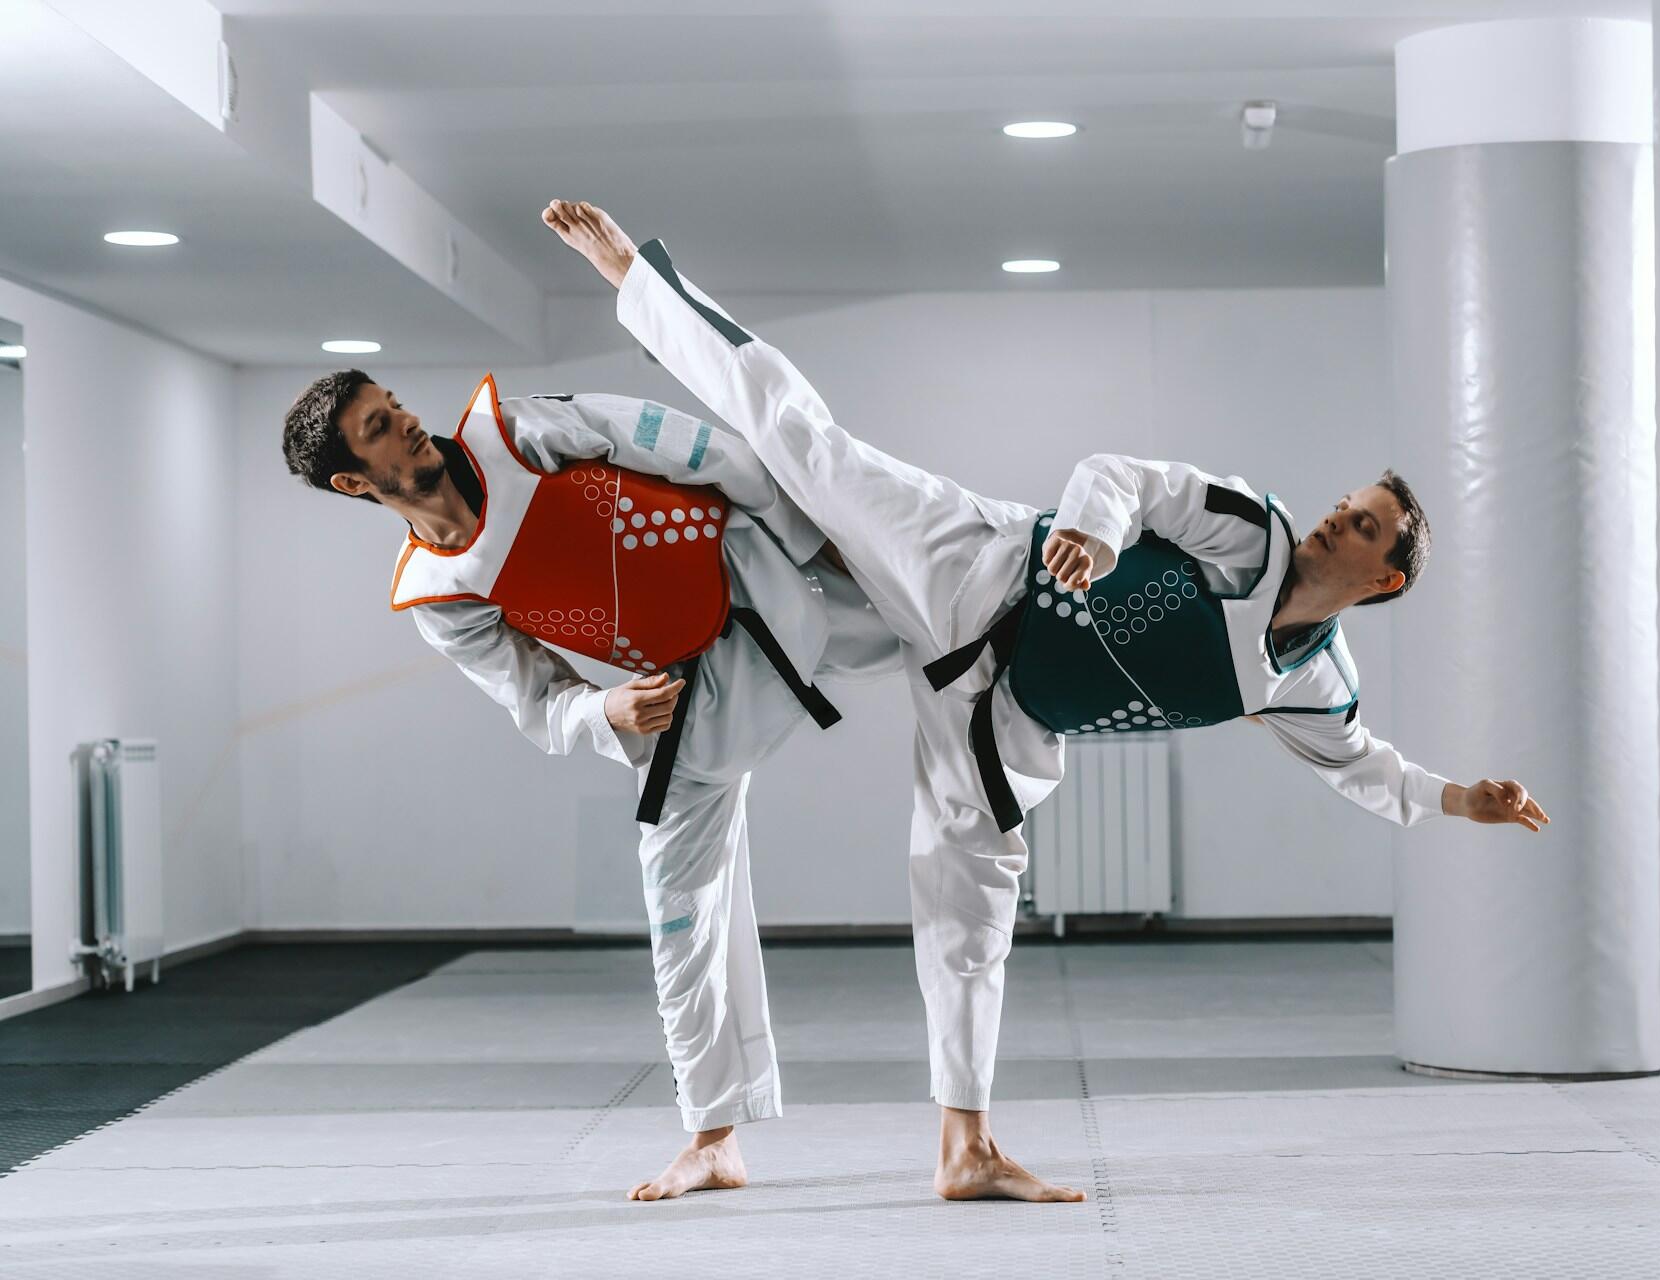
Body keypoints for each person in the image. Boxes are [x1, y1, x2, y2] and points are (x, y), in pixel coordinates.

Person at [542, 198, 1551, 1204]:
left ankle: (965, 1147)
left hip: (1004, 714)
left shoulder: (1310, 681)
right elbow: (1123, 476)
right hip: (974, 570)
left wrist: (1463, 798)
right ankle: (637, 277)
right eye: (1346, 504)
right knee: (803, 439)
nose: (1337, 518)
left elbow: (1362, 763)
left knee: (971, 900)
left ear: (1386, 579)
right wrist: (1100, 534)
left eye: (1362, 525)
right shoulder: (1255, 527)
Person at [280, 361, 899, 1201]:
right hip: (687, 690)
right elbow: (535, 698)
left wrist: (810, 529)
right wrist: (606, 709)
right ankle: (713, 1137)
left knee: (956, 618)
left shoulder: (519, 434)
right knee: (675, 905)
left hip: (767, 569)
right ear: (355, 479)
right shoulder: (440, 594)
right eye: (378, 427)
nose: (407, 422)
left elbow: (690, 445)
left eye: (394, 406)